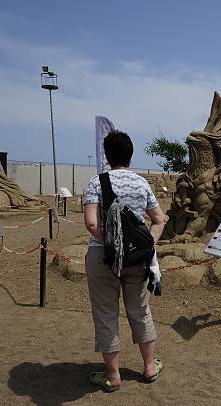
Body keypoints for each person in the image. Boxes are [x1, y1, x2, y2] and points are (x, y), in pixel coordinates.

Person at [83, 130, 166, 392]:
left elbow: (91, 222)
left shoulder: (96, 182)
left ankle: (113, 375)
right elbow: (159, 219)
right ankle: (150, 367)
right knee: (140, 310)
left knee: (106, 313)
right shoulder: (142, 184)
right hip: (137, 258)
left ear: (107, 156)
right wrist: (145, 245)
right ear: (130, 155)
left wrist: (112, 245)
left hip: (103, 256)